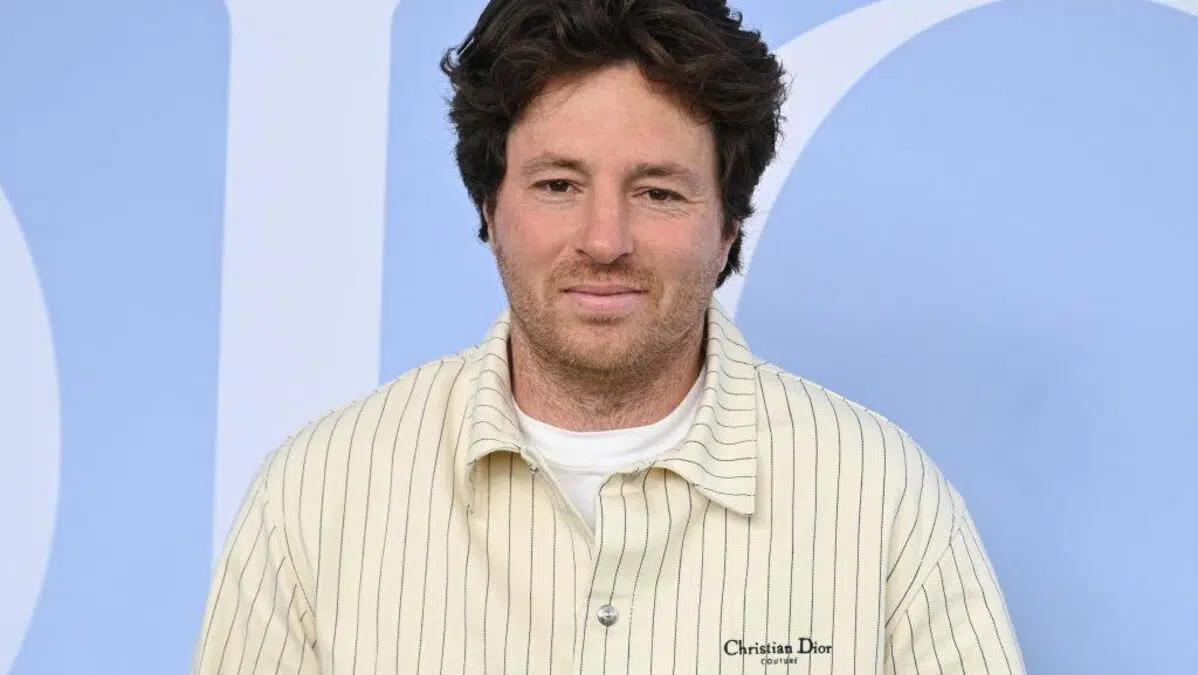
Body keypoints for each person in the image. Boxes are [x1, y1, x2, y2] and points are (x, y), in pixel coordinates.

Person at [192, 0, 1025, 672]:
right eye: (558, 184)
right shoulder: (314, 498)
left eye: (659, 193)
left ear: (729, 225)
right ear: (490, 208)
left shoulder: (882, 502)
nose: (604, 238)